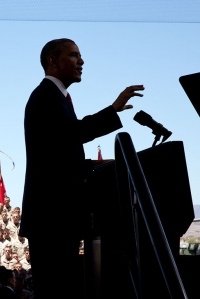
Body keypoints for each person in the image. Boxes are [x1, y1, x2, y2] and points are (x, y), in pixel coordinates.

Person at [20, 38, 144, 298]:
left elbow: (58, 154)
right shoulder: (45, 96)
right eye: (74, 55)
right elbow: (71, 134)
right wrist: (112, 110)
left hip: (58, 217)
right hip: (50, 218)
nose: (82, 61)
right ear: (52, 61)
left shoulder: (58, 98)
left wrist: (103, 165)